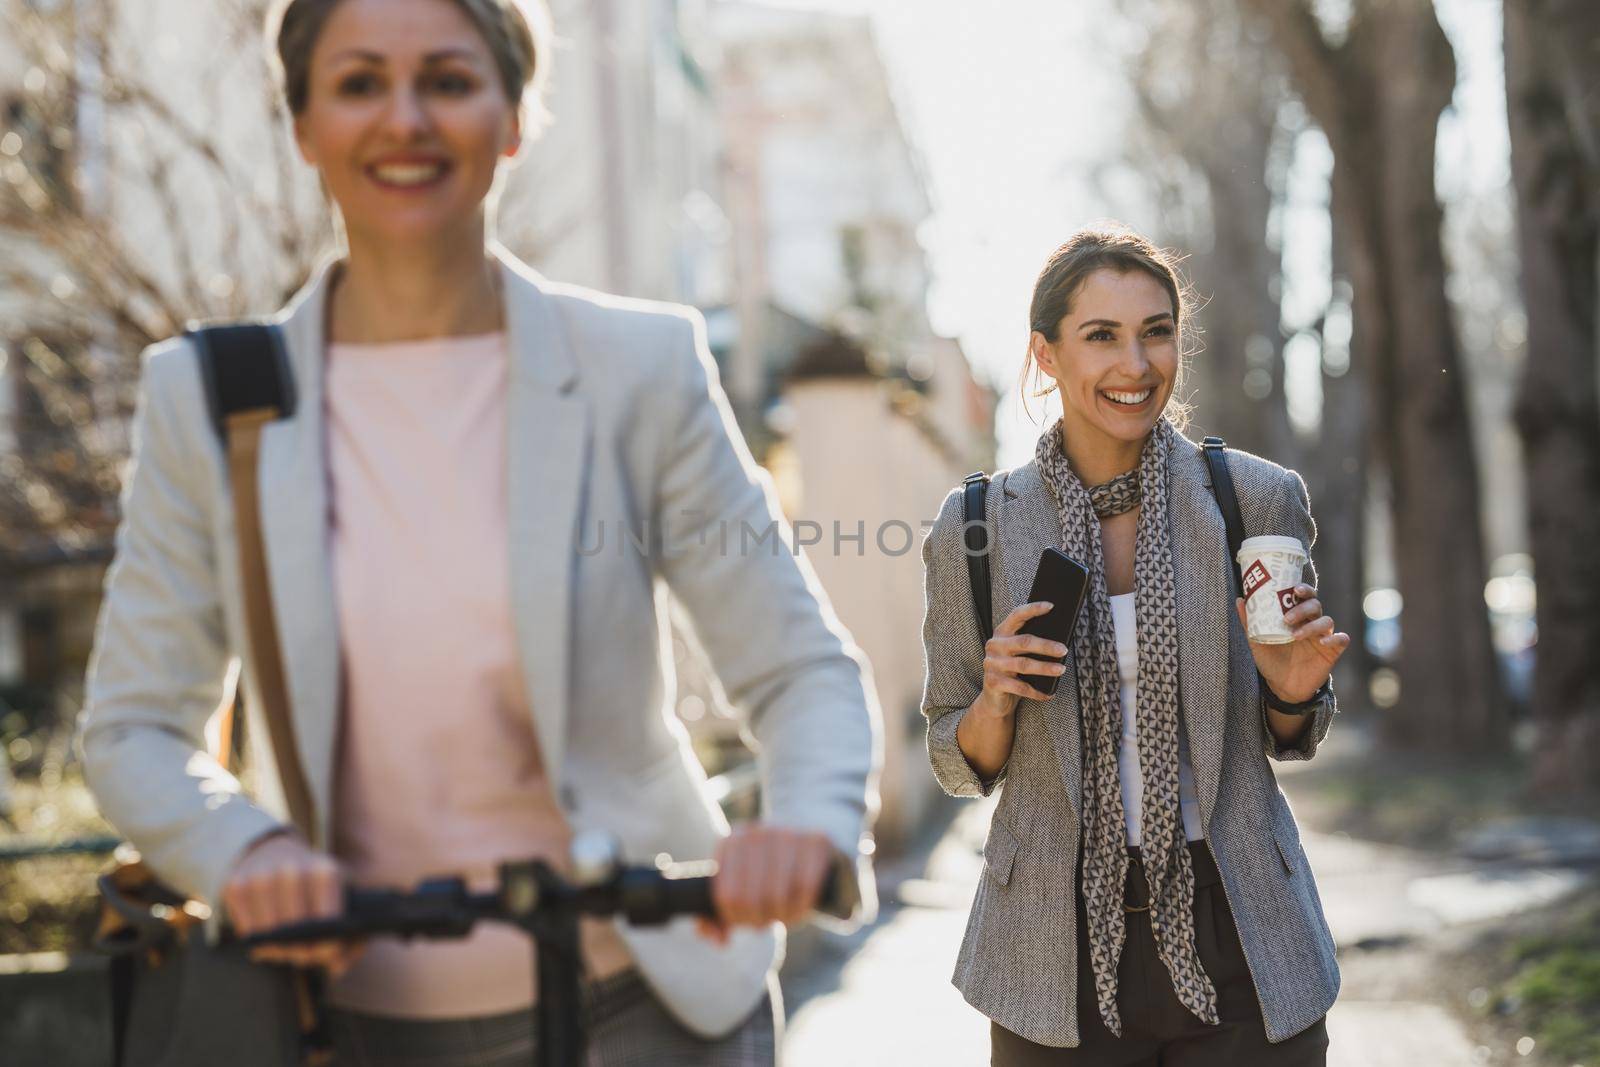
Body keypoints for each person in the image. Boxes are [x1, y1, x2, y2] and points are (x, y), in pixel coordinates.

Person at [78, 0, 880, 1062]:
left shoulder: (635, 368)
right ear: (303, 124)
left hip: (638, 1005)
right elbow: (134, 725)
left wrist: (805, 826)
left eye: (448, 81)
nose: (404, 119)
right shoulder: (214, 399)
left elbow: (800, 669)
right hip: (339, 1023)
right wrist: (245, 849)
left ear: (512, 117)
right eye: (360, 83)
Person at [919, 226, 1346, 1065]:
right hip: (1053, 944)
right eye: (1102, 336)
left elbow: (1290, 733)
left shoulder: (1252, 499)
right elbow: (954, 755)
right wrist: (995, 700)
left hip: (1242, 927)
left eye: (1157, 331)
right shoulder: (973, 530)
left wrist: (1293, 694)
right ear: (1045, 355)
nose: (1137, 364)